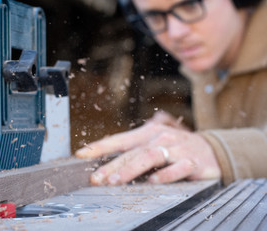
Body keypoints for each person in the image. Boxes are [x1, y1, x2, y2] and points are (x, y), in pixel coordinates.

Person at [75, 0, 267, 186]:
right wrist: (186, 138)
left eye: (190, 5)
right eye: (155, 16)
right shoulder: (207, 63)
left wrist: (218, 150)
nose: (175, 33)